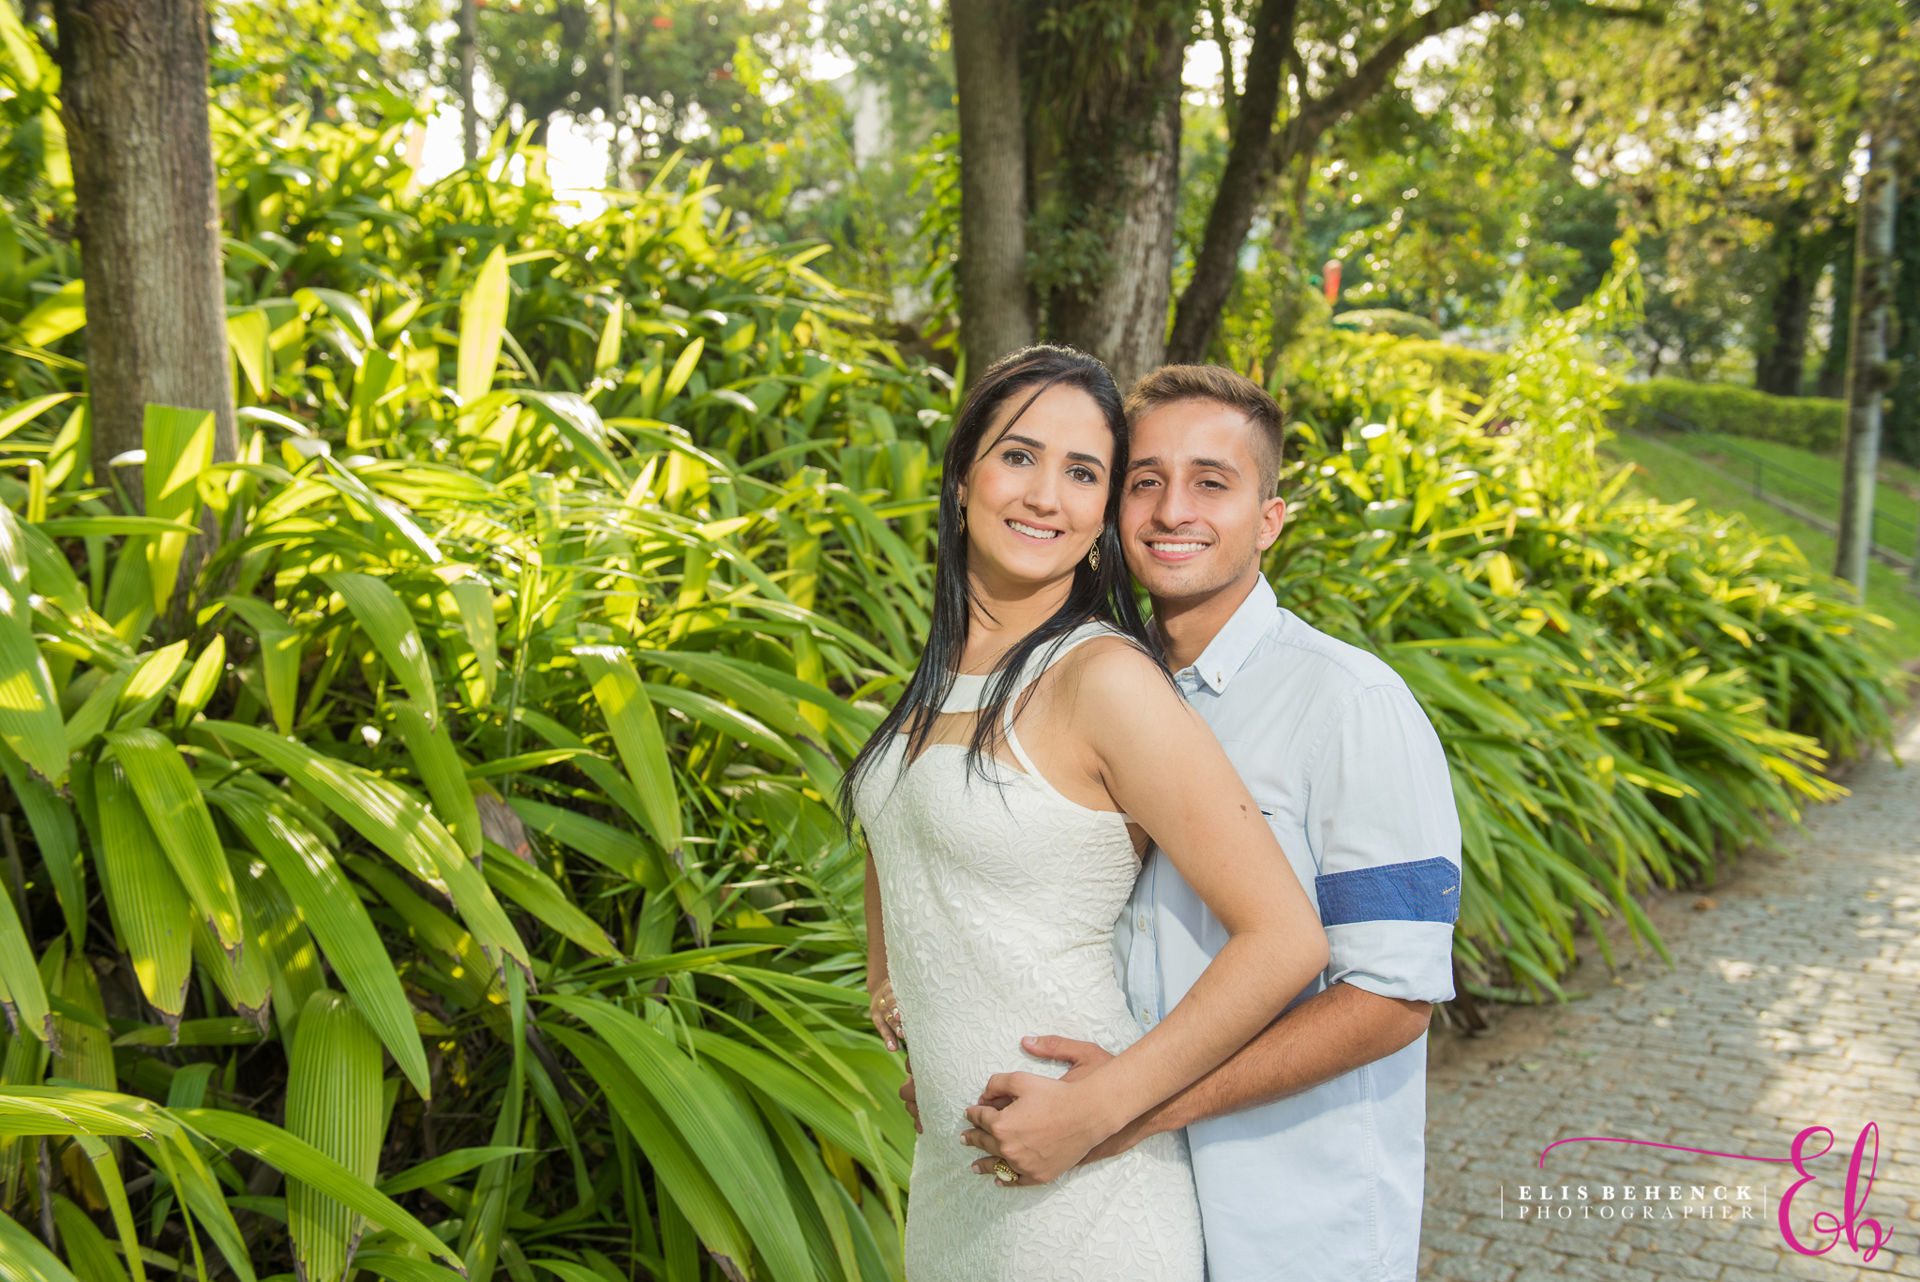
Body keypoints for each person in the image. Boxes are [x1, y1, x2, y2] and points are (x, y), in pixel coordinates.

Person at [957, 365, 1462, 1282]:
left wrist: (1130, 1106)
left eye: (1212, 483)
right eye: (1144, 480)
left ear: (1268, 519)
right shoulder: (1089, 687)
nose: (1169, 510)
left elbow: (1393, 999)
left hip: (1295, 1223)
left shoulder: (1348, 704)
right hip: (1114, 1211)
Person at [846, 346, 1329, 1282]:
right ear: (961, 480)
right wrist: (903, 993)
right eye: (1019, 457)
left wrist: (1105, 1106)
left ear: (1103, 518)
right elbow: (898, 839)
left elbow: (1285, 938)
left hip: (1085, 1197)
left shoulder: (1104, 679)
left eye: (1083, 474)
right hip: (954, 1177)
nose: (1044, 496)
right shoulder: (939, 679)